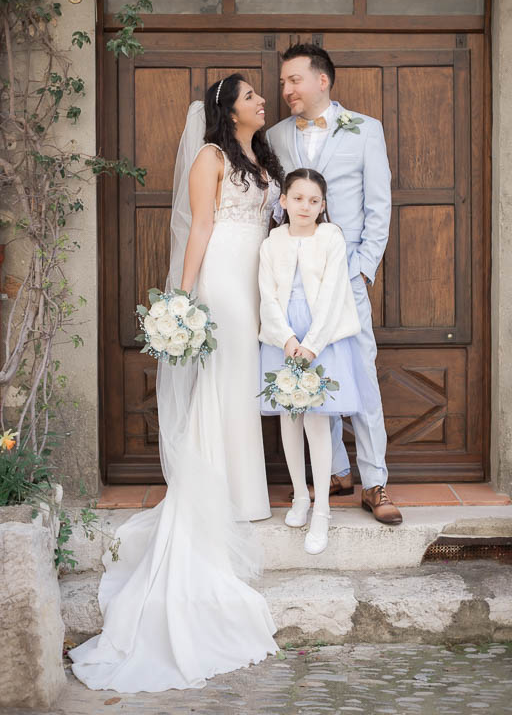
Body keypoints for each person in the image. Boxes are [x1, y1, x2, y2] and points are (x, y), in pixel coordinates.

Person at [69, 74, 283, 693]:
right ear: (228, 110)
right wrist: (184, 299)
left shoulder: (262, 156)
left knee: (243, 382)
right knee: (226, 379)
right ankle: (225, 495)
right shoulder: (211, 156)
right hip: (222, 279)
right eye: (250, 96)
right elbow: (200, 229)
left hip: (256, 275)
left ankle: (244, 491)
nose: (260, 101)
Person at [267, 43, 402, 526]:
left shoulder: (366, 130)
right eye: (283, 83)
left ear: (321, 80)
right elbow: (274, 204)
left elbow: (379, 205)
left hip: (347, 279)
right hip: (296, 284)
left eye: (294, 80)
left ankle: (375, 480)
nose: (286, 90)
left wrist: (362, 268)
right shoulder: (276, 135)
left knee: (360, 373)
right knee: (311, 371)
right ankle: (336, 471)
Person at [259, 168, 375, 554]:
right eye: (297, 198)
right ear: (283, 201)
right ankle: (299, 497)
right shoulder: (272, 242)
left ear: (323, 205)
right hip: (283, 339)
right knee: (289, 418)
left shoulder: (331, 237)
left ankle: (322, 509)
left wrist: (310, 345)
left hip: (320, 340)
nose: (305, 206)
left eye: (313, 200)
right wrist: (286, 339)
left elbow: (333, 295)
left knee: (317, 419)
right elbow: (267, 296)